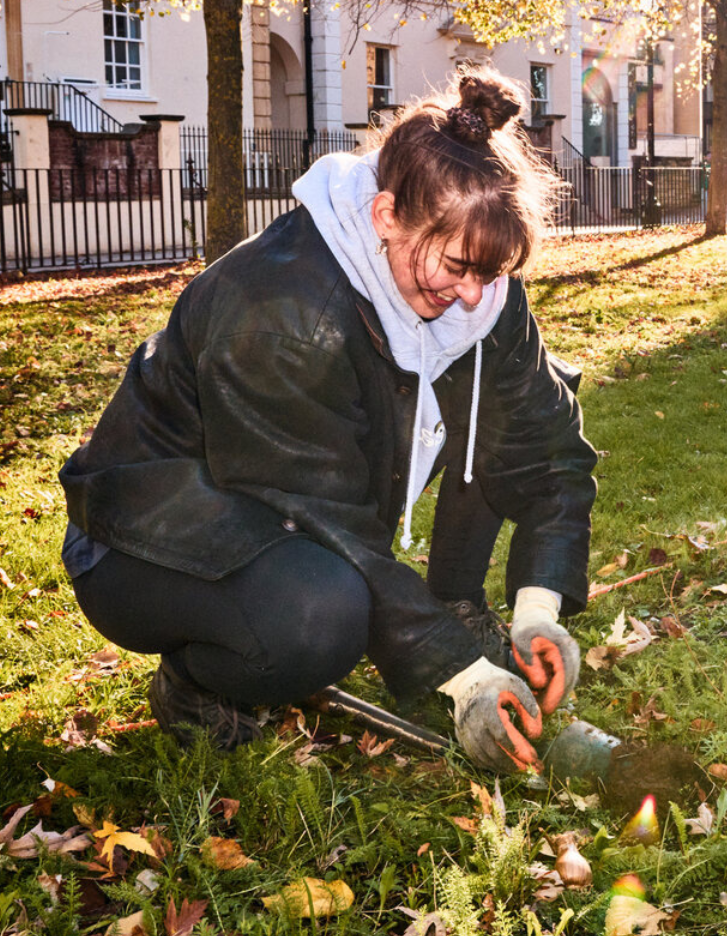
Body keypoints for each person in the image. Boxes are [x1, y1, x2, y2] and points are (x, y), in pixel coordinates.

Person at [58, 67, 595, 772]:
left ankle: (456, 608)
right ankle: (195, 685)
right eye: (460, 266)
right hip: (151, 532)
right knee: (320, 618)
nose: (473, 296)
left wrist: (537, 613)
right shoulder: (281, 313)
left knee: (496, 397)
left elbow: (549, 449)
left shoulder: (482, 290)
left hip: (283, 507)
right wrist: (466, 679)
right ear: (385, 217)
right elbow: (328, 522)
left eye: (492, 274)